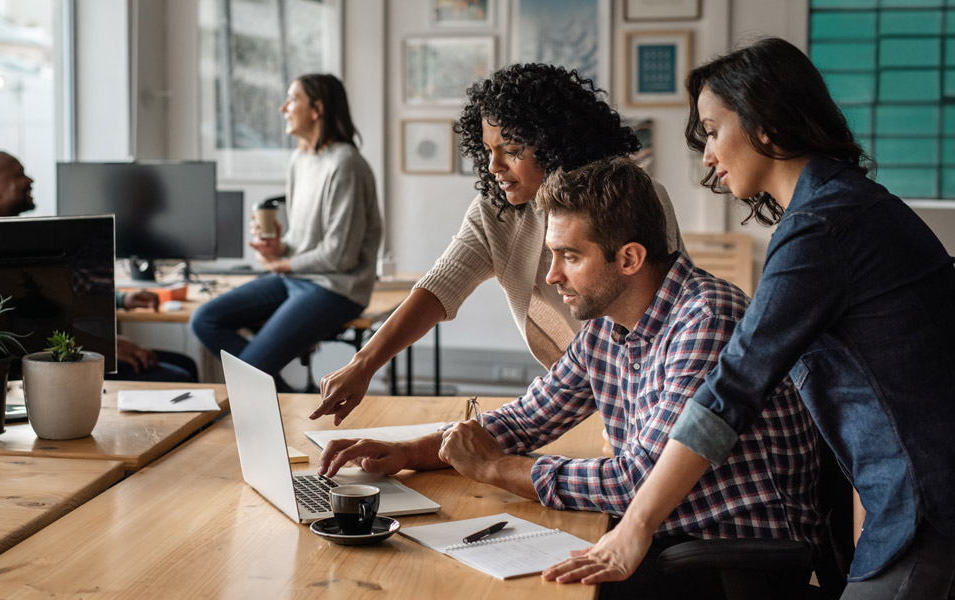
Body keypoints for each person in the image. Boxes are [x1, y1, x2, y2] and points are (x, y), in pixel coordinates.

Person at [545, 38, 955, 599]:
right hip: (911, 496)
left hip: (929, 499)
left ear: (766, 122)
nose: (708, 155)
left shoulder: (824, 228)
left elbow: (732, 387)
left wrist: (635, 528)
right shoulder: (840, 209)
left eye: (713, 130)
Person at [318, 157, 820, 599]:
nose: (553, 275)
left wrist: (496, 470)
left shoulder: (706, 319)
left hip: (725, 556)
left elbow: (634, 481)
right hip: (665, 536)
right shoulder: (610, 322)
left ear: (629, 259)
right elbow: (529, 418)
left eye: (570, 257)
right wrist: (412, 452)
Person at [311, 63, 684, 425]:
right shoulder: (497, 210)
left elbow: (662, 315)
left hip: (650, 386)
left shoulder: (631, 199)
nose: (493, 165)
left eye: (511, 149)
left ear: (556, 142)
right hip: (575, 390)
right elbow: (440, 287)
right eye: (488, 150)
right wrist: (363, 365)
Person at [190, 74, 381, 392]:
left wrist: (281, 265)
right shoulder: (300, 160)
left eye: (292, 99)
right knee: (204, 319)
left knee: (250, 370)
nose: (283, 108)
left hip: (336, 288)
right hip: (297, 279)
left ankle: (273, 399)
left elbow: (340, 255)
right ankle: (285, 399)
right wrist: (279, 247)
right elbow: (304, 241)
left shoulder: (346, 165)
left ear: (317, 109)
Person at [0, 150, 196, 383]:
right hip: (50, 366)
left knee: (185, 364)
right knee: (180, 375)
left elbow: (59, 299)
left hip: (72, 348)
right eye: (18, 175)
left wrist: (121, 300)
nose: (29, 180)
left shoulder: (17, 242)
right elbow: (31, 333)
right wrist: (106, 348)